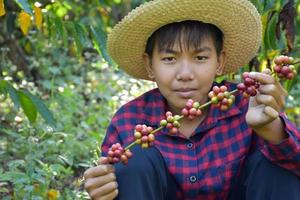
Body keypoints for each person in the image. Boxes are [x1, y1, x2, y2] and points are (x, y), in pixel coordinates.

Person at [83, 0, 300, 199]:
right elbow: (111, 179)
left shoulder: (248, 104)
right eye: (169, 59)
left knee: (277, 164)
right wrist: (104, 188)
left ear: (220, 61)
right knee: (133, 162)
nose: (185, 74)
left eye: (200, 58)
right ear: (150, 65)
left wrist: (272, 129)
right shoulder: (129, 121)